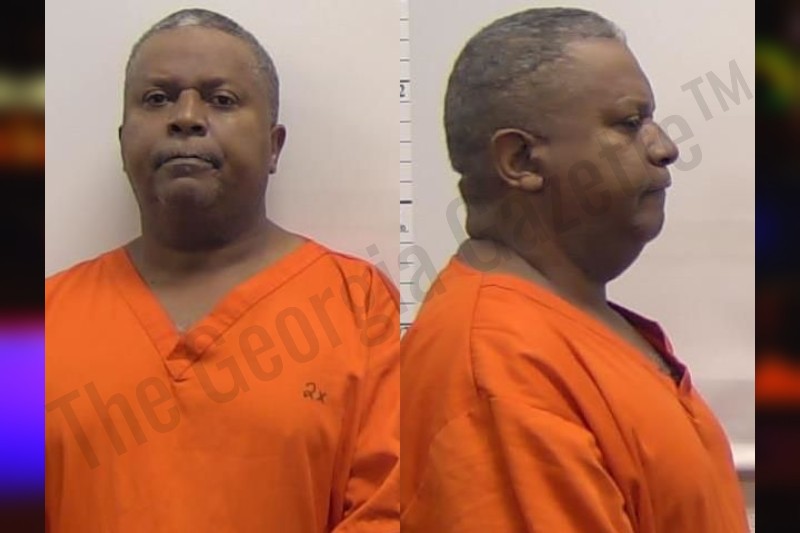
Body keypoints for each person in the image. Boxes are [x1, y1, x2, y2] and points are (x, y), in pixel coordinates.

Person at [45, 9, 398, 533]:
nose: (186, 117)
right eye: (157, 99)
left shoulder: (358, 304)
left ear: (274, 146)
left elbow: (388, 512)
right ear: (123, 142)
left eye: (222, 99)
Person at [400, 8, 748, 532]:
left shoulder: (572, 325)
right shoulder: (499, 366)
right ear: (520, 160)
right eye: (629, 124)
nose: (665, 147)